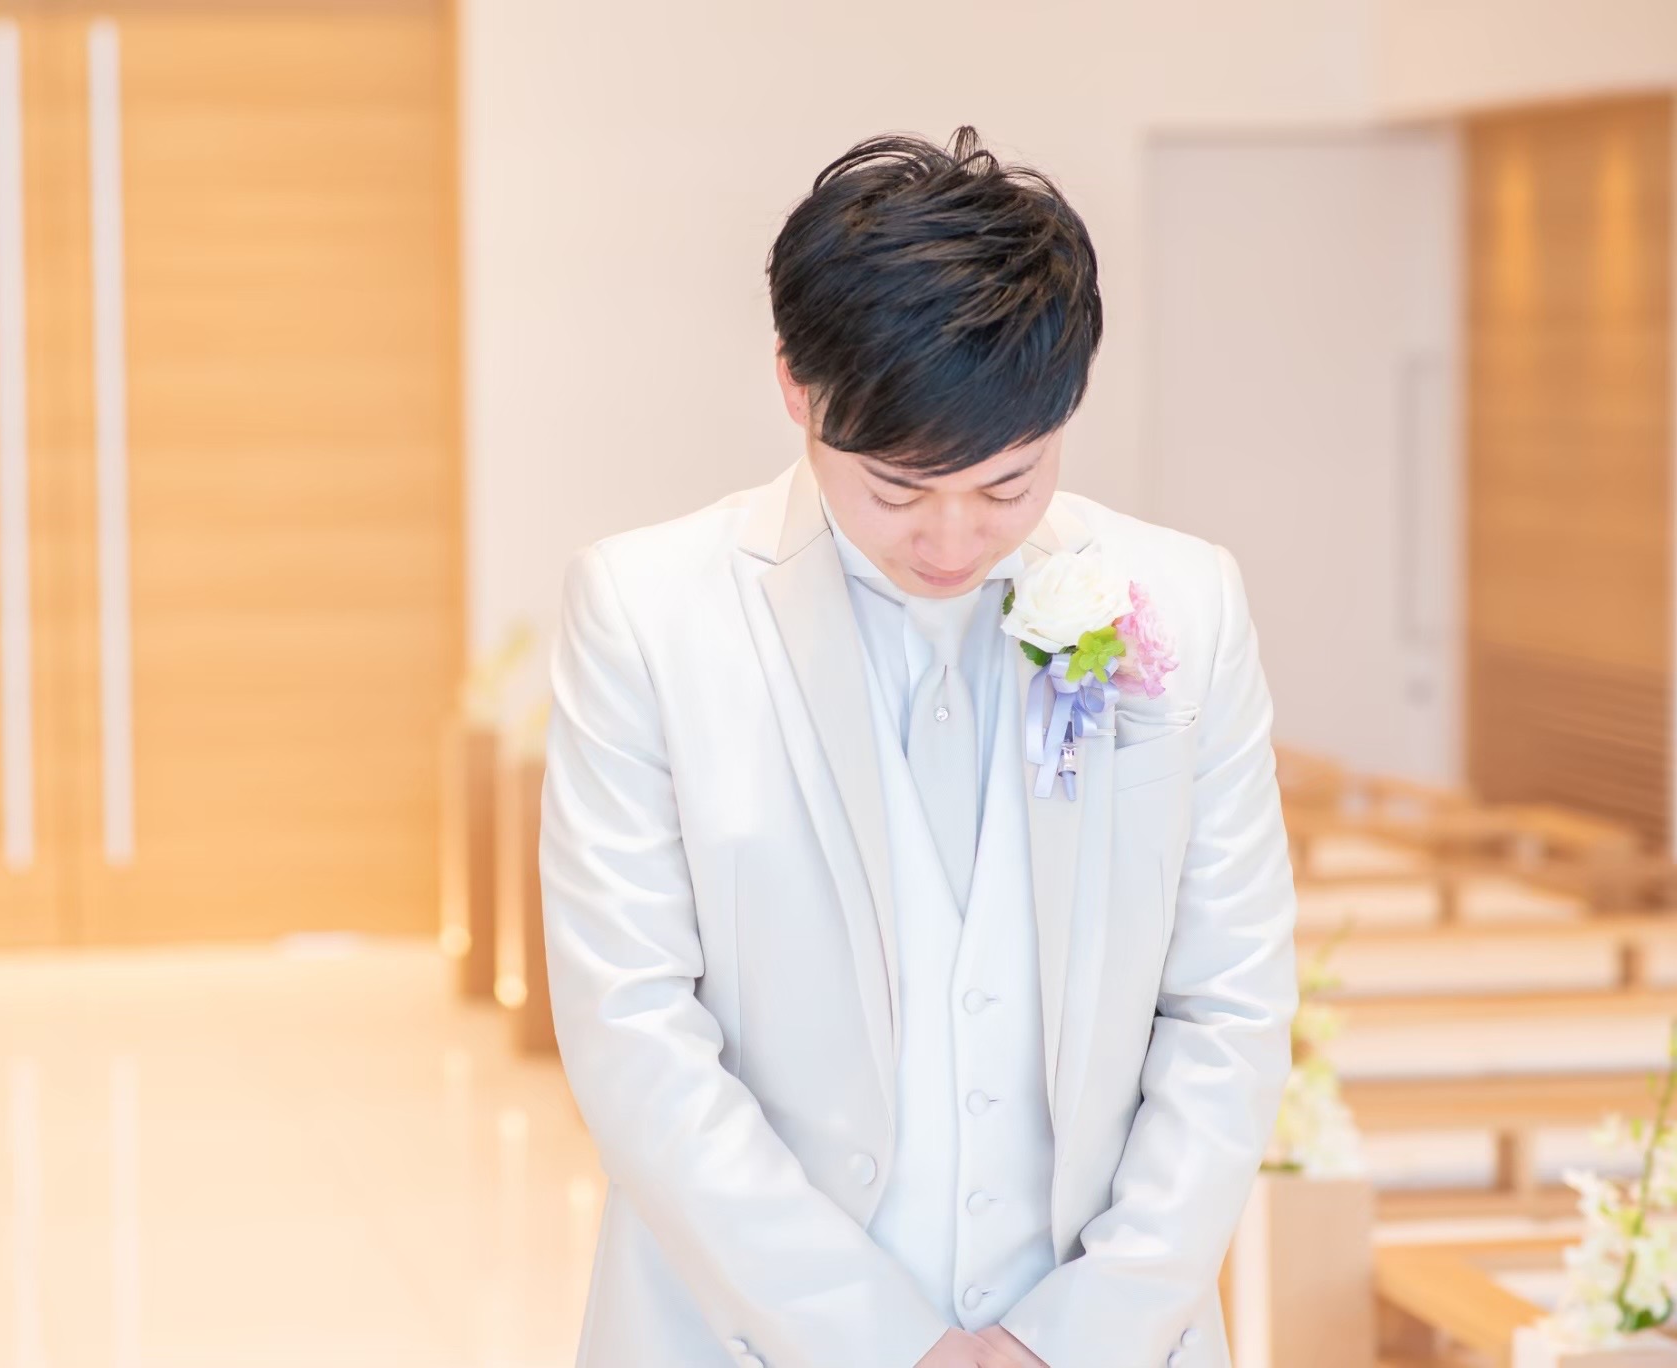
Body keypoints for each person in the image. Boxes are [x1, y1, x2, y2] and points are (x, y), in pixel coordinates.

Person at [538, 125, 1297, 1368]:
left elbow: (1228, 1004)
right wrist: (879, 1342)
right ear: (795, 387)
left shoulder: (1184, 602)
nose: (951, 541)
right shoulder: (645, 612)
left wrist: (1081, 1331)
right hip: (746, 1337)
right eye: (895, 489)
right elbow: (630, 1026)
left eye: (1008, 487)